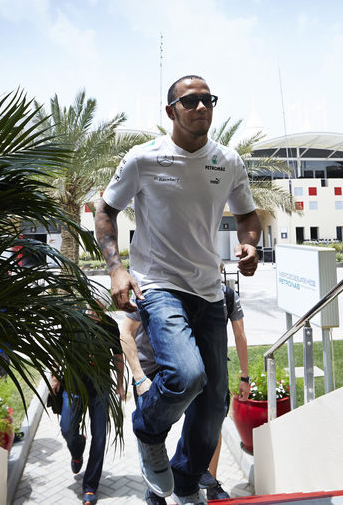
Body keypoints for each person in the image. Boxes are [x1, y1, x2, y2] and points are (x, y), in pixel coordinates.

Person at [94, 75, 261, 505]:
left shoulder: (228, 161)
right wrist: (116, 269)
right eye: (190, 101)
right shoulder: (143, 158)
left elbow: (248, 217)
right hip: (159, 284)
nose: (201, 107)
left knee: (213, 406)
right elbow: (105, 211)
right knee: (187, 376)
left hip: (209, 291)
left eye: (208, 100)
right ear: (171, 110)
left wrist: (251, 245)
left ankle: (186, 480)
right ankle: (149, 429)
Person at [120, 279, 250, 503]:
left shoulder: (223, 296)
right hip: (151, 371)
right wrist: (139, 378)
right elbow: (125, 332)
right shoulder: (151, 290)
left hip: (195, 367)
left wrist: (244, 376)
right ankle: (156, 490)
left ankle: (190, 479)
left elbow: (240, 335)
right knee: (161, 422)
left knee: (212, 415)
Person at [52, 308, 126, 505]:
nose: (95, 306)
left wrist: (119, 385)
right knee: (67, 428)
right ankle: (77, 450)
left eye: (99, 302)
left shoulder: (110, 324)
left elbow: (118, 355)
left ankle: (90, 487)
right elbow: (59, 350)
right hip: (73, 386)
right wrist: (54, 376)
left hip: (100, 389)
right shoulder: (73, 321)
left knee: (100, 437)